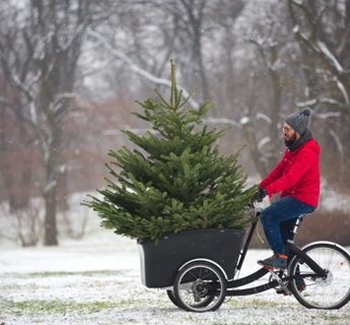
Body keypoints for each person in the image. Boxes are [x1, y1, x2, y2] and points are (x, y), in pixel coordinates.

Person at [254, 108, 320, 270]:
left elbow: (291, 179)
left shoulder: (307, 152)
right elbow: (278, 172)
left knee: (268, 216)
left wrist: (269, 190)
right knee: (284, 240)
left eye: (287, 129)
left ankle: (279, 257)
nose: (284, 132)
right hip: (293, 198)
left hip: (303, 199)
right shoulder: (293, 149)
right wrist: (262, 186)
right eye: (284, 129)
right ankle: (296, 281)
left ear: (297, 131)